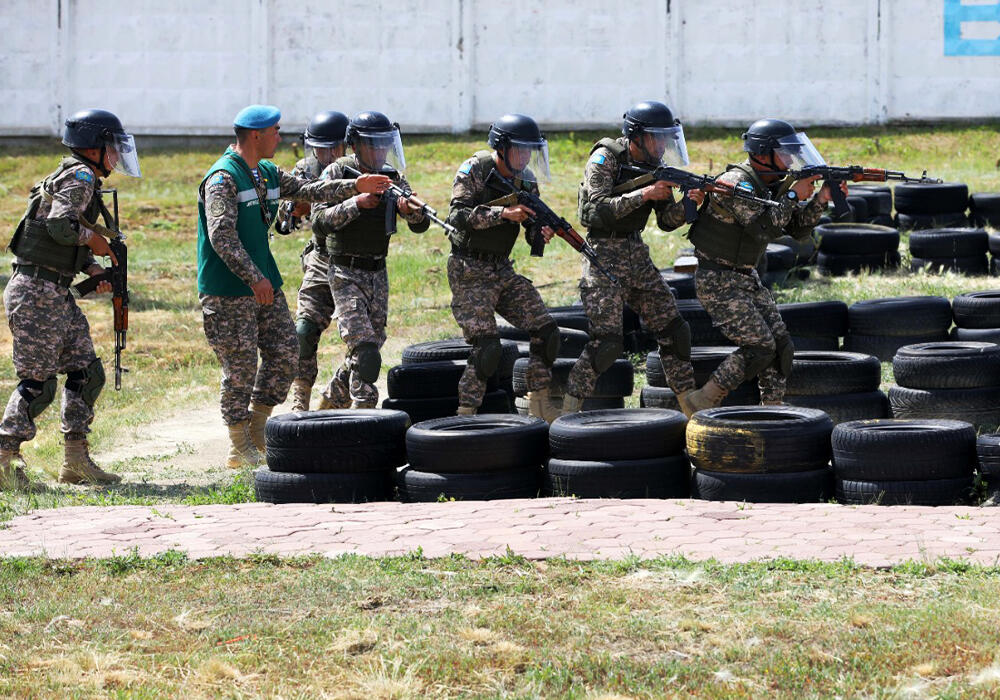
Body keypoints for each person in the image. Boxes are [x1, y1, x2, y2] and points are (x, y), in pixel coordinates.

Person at [197, 105, 390, 468]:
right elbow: (221, 237)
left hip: (263, 283)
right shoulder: (223, 178)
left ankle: (258, 429)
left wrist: (356, 185)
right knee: (239, 368)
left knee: (287, 351)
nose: (281, 138)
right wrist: (254, 278)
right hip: (228, 288)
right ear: (256, 136)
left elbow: (309, 189)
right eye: (275, 132)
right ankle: (239, 445)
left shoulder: (265, 172)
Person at [0, 108, 139, 488]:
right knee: (37, 382)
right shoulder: (80, 176)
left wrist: (92, 267)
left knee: (84, 372)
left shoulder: (81, 176)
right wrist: (93, 240)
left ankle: (76, 462)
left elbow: (62, 233)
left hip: (55, 291)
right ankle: (4, 458)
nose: (115, 155)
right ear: (93, 148)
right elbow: (59, 225)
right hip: (35, 292)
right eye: (111, 146)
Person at [683, 118, 847, 411]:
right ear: (762, 154)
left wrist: (820, 199)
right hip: (718, 281)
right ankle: (703, 399)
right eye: (783, 153)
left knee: (781, 346)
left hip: (745, 277)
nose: (789, 160)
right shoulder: (736, 185)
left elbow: (796, 229)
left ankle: (771, 411)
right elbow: (765, 228)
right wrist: (795, 194)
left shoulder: (772, 184)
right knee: (760, 346)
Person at [563, 101, 702, 417]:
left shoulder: (657, 164)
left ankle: (689, 404)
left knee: (674, 330)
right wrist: (644, 194)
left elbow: (666, 221)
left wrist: (689, 203)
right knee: (607, 343)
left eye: (666, 138)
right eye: (657, 137)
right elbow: (594, 210)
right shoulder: (606, 157)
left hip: (636, 254)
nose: (662, 145)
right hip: (602, 254)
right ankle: (567, 409)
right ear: (636, 136)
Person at [444, 114, 559, 421]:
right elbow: (457, 215)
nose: (525, 156)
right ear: (502, 147)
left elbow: (531, 224)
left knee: (547, 331)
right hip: (469, 269)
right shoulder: (477, 169)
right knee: (488, 348)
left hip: (502, 271)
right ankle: (465, 412)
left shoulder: (526, 180)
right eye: (520, 150)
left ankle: (539, 401)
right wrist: (503, 214)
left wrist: (540, 232)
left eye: (529, 151)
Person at [310, 111, 428, 409]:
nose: (378, 151)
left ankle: (334, 394)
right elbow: (318, 220)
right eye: (372, 145)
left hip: (378, 271)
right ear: (355, 146)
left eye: (383, 144)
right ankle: (364, 412)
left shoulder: (392, 176)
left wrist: (410, 209)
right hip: (345, 271)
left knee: (373, 343)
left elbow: (420, 225)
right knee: (366, 352)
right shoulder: (337, 172)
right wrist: (356, 203)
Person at [274, 111, 351, 411]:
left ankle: (336, 395)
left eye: (335, 148)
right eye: (321, 148)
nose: (329, 155)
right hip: (321, 257)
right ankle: (299, 402)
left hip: (357, 262)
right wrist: (296, 208)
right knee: (304, 331)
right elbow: (283, 220)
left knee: (363, 341)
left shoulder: (360, 168)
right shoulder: (305, 170)